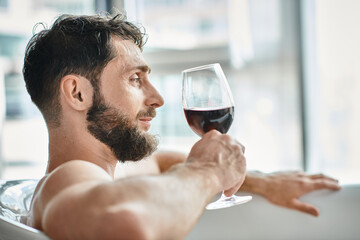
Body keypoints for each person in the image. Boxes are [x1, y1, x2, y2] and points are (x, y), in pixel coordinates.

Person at [22, 12, 340, 240]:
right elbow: (124, 221)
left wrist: (263, 183)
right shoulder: (68, 178)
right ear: (78, 93)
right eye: (135, 79)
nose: (158, 98)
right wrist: (208, 172)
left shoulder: (107, 173)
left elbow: (159, 162)